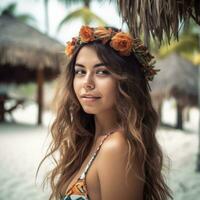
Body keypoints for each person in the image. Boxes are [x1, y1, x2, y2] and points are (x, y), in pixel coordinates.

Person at [37, 26, 172, 200]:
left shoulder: (116, 147)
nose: (87, 83)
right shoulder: (90, 139)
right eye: (80, 71)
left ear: (126, 81)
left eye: (102, 72)